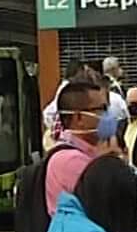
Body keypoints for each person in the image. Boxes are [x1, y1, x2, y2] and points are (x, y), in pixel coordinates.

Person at [44, 79, 108, 216]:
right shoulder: (71, 160)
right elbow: (104, 204)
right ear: (79, 118)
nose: (107, 116)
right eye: (102, 109)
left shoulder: (85, 153)